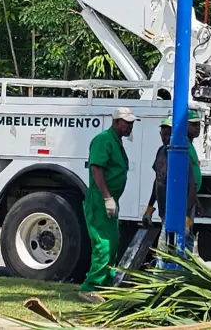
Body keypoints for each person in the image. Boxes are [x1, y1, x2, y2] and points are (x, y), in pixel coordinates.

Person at [79, 106, 137, 303]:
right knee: (103, 243)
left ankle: (105, 285)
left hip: (110, 200)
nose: (129, 127)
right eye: (126, 123)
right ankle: (90, 287)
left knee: (112, 241)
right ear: (115, 122)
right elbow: (97, 169)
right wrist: (106, 197)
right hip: (99, 200)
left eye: (131, 123)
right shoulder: (104, 139)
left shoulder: (116, 141)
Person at [143, 111, 202, 235]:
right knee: (170, 246)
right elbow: (158, 181)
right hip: (165, 208)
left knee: (174, 245)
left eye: (169, 135)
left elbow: (191, 185)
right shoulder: (161, 152)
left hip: (180, 208)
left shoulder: (181, 154)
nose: (165, 138)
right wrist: (149, 208)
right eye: (163, 135)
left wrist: (187, 215)